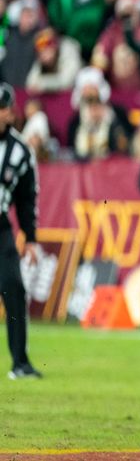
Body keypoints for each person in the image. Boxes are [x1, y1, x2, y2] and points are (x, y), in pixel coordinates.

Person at [0, 83, 41, 378]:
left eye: (4, 108)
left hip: (1, 226)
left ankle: (20, 362)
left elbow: (27, 199)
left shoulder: (20, 151)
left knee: (14, 288)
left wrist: (31, 238)